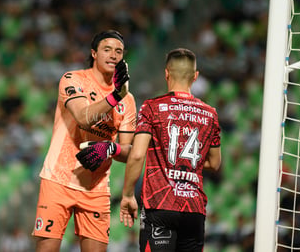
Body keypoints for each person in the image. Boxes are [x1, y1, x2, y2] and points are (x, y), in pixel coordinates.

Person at [32, 30, 137, 252]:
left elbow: (130, 152)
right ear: (94, 53)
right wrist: (114, 96)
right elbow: (83, 118)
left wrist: (112, 147)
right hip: (58, 180)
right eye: (107, 50)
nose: (113, 55)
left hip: (96, 188)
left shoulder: (127, 100)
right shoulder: (73, 79)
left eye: (118, 52)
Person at [120, 48, 221, 252]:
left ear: (166, 73)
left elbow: (138, 154)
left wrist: (128, 194)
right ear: (195, 76)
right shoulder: (210, 114)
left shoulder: (152, 107)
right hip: (194, 208)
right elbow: (215, 163)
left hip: (160, 205)